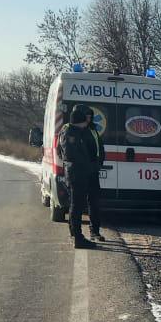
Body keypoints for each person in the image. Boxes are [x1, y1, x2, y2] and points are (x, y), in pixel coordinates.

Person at [60, 105, 100, 249]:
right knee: (76, 206)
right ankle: (77, 237)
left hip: (81, 173)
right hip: (77, 174)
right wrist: (87, 165)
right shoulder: (70, 133)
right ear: (79, 121)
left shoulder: (78, 132)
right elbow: (71, 155)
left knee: (77, 205)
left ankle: (76, 235)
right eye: (84, 121)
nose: (86, 124)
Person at [84, 108, 106, 242]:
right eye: (86, 116)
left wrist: (100, 162)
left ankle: (95, 231)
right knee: (77, 204)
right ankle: (76, 235)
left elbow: (100, 148)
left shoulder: (93, 130)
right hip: (81, 172)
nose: (89, 118)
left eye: (90, 116)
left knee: (95, 203)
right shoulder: (77, 130)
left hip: (93, 172)